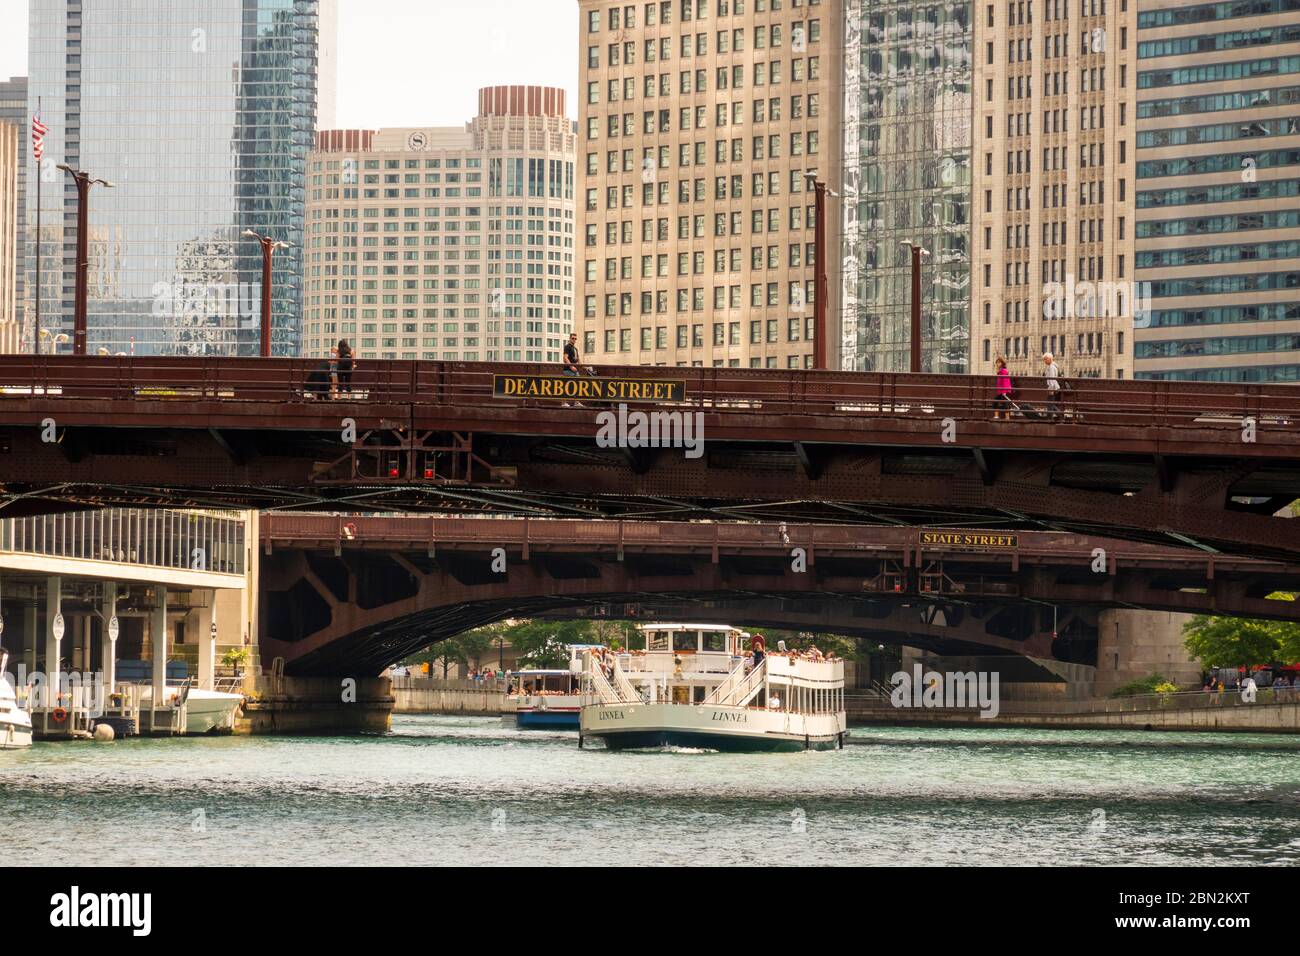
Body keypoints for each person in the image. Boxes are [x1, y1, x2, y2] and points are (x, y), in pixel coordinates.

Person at [1042, 352, 1062, 420]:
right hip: (1053, 387)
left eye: (1045, 359)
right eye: (1044, 359)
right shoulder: (1051, 366)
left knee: (1050, 403)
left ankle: (1050, 418)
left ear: (1050, 359)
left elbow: (1052, 379)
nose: (1044, 361)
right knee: (1051, 403)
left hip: (1053, 388)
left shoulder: (1051, 367)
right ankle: (1059, 416)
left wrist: (1051, 389)